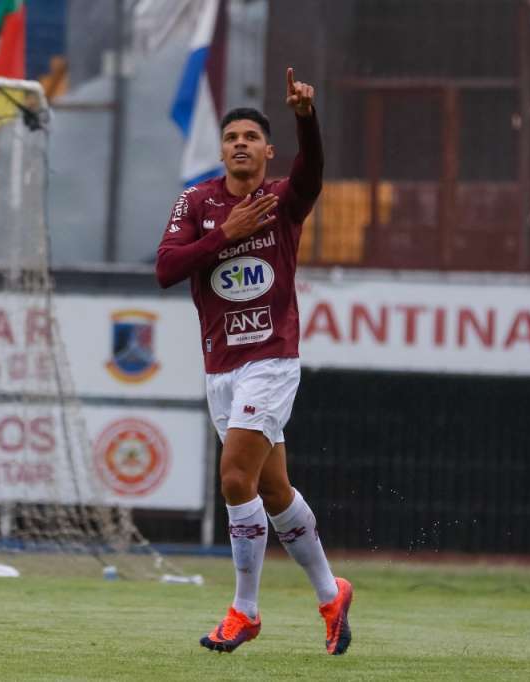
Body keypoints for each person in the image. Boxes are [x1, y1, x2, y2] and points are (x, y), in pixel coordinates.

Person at [155, 68, 352, 655]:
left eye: (251, 137)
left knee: (234, 478)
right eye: (231, 137)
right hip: (220, 367)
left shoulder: (283, 201)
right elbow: (166, 269)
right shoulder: (196, 202)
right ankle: (331, 593)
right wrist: (224, 234)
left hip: (271, 359)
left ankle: (245, 610)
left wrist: (305, 119)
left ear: (268, 151)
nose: (240, 143)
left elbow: (312, 172)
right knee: (273, 491)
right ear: (221, 151)